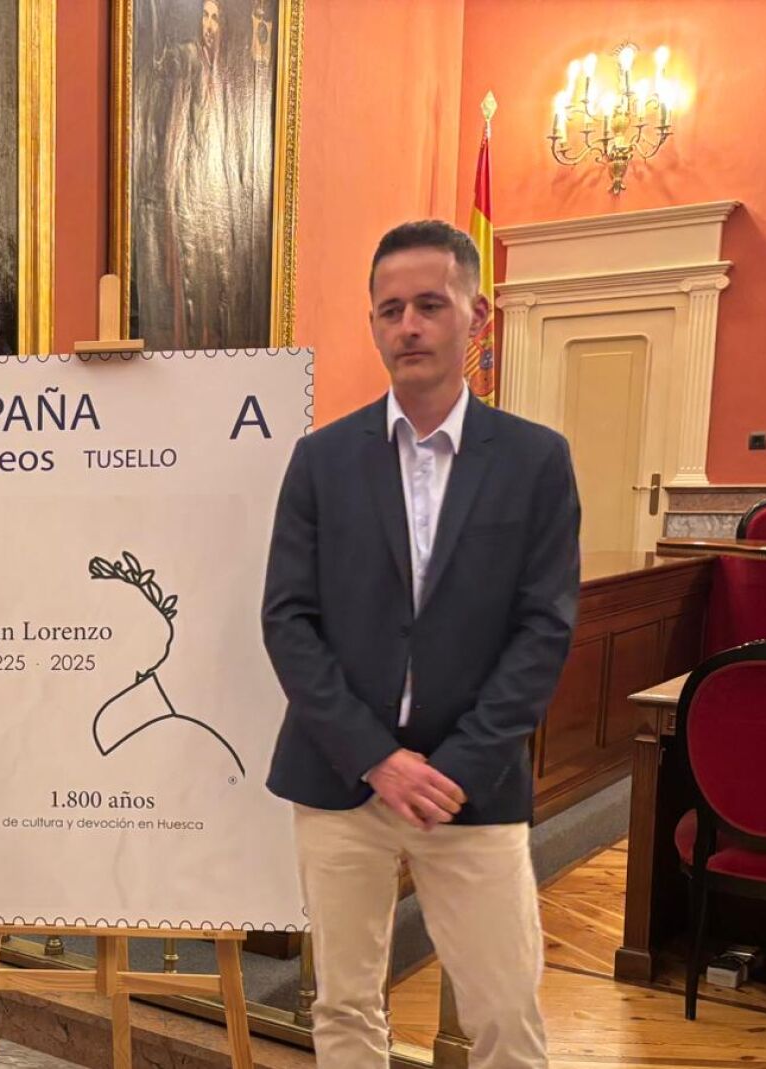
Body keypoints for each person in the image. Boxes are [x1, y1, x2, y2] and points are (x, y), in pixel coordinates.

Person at [262, 220, 581, 1068]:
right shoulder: (321, 460)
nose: (409, 325)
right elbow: (287, 619)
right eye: (390, 309)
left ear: (476, 315)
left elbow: (544, 628)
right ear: (373, 322)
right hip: (340, 778)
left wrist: (456, 767)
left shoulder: (535, 461)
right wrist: (377, 758)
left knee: (505, 1015)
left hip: (470, 786)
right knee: (344, 1006)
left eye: (430, 305)